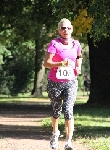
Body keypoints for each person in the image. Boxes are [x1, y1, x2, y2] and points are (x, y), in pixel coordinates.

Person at [43, 18, 82, 150]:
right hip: (55, 82)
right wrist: (61, 64)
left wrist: (79, 67)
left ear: (72, 29)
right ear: (59, 30)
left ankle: (68, 142)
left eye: (68, 28)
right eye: (63, 28)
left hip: (71, 82)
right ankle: (55, 134)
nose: (66, 30)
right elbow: (46, 63)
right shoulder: (54, 44)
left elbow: (79, 56)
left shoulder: (76, 44)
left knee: (68, 110)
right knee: (56, 110)